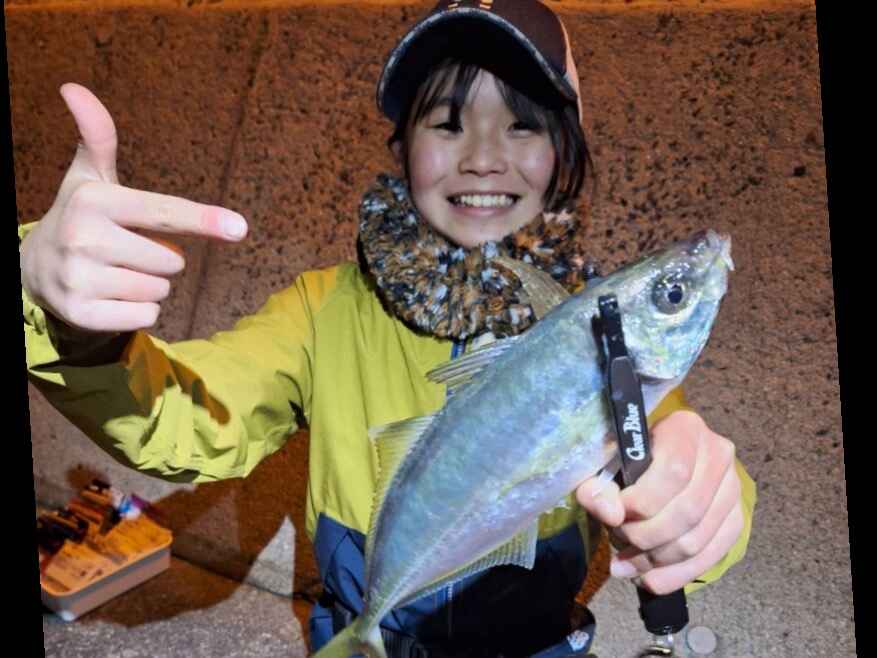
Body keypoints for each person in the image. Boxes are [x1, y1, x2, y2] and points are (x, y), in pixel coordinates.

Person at [20, 1, 756, 656]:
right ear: (402, 148)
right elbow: (185, 418)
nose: (483, 157)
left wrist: (704, 503)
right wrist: (61, 317)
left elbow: (680, 454)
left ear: (563, 149)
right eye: (447, 123)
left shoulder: (602, 331)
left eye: (523, 123)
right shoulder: (323, 311)